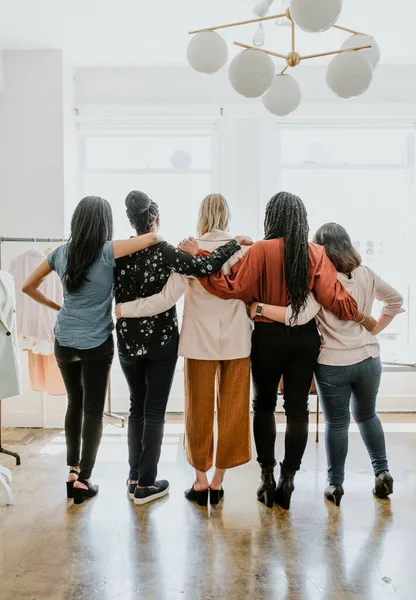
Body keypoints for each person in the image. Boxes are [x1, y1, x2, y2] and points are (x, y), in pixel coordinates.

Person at [198, 191, 376, 509]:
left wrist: (203, 268)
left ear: (271, 217)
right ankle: (289, 478)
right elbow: (333, 296)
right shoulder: (315, 252)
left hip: (267, 338)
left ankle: (266, 477)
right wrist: (358, 314)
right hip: (304, 342)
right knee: (297, 410)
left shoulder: (259, 251)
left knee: (264, 406)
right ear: (301, 219)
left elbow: (234, 288)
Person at [250, 222, 404, 506]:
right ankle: (382, 472)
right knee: (368, 416)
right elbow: (395, 300)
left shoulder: (322, 281)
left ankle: (335, 484)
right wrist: (374, 329)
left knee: (337, 423)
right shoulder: (367, 274)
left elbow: (298, 316)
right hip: (369, 359)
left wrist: (258, 308)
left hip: (334, 362)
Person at [115, 193, 253, 506]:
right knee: (232, 411)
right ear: (227, 215)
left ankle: (200, 481)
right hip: (237, 341)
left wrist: (123, 309)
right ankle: (219, 481)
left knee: (198, 411)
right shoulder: (244, 247)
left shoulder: (186, 248)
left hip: (199, 342)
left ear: (201, 216)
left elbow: (167, 298)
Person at [22, 196, 160, 504]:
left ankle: (72, 471)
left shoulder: (60, 252)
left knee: (75, 402)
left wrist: (57, 306)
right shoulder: (108, 251)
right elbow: (152, 237)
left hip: (64, 339)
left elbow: (27, 287)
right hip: (96, 343)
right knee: (93, 411)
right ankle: (85, 479)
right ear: (105, 223)